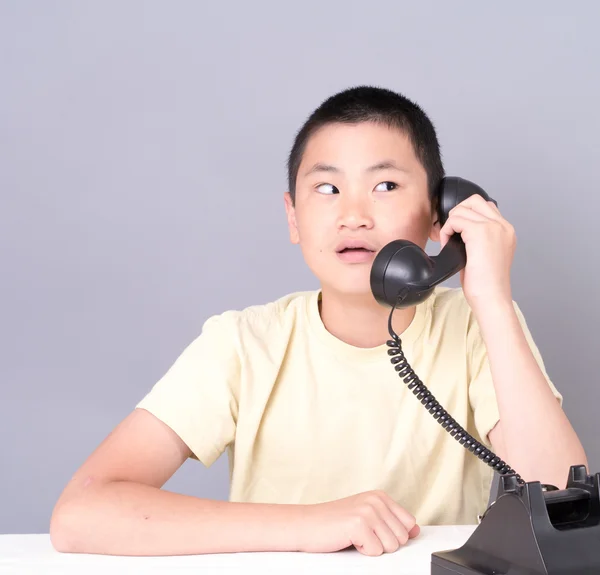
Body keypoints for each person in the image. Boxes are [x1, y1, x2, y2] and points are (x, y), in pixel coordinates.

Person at [49, 86, 586, 558]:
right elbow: (81, 514)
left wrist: (491, 296)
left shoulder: (477, 327)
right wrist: (314, 523)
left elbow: (566, 497)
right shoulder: (241, 344)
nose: (354, 214)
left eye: (386, 187)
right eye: (327, 189)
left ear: (437, 215)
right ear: (293, 217)